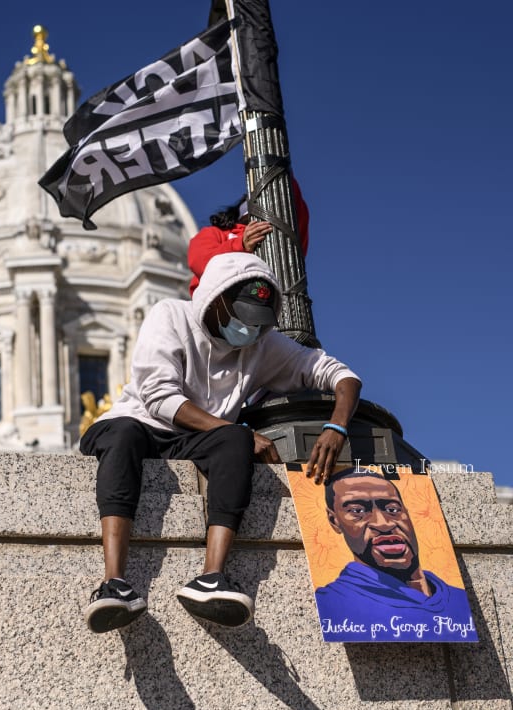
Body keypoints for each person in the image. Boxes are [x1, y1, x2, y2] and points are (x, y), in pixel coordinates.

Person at [80, 252, 361, 634]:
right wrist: (239, 432)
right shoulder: (170, 315)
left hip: (193, 440)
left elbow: (339, 375)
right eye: (242, 316)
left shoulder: (261, 344)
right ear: (216, 298)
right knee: (129, 434)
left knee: (233, 440)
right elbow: (159, 397)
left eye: (259, 323)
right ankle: (114, 581)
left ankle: (211, 577)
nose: (249, 328)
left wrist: (338, 427)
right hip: (137, 423)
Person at [314, 468, 474, 640]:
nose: (383, 524)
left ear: (406, 511)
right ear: (334, 520)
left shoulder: (457, 599)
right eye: (357, 511)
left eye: (392, 509)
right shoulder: (333, 602)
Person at [186, 175, 309, 297]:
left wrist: (280, 167)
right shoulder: (215, 233)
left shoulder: (283, 233)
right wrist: (241, 245)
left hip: (277, 303)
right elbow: (200, 262)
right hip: (223, 306)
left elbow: (293, 201)